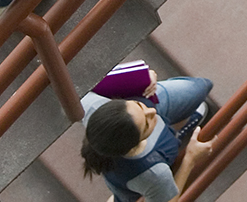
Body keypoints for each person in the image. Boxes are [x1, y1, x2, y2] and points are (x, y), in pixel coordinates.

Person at [80, 74, 217, 202]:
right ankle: (175, 133)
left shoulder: (91, 107)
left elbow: (81, 83)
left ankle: (167, 127)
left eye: (137, 104)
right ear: (133, 144)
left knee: (199, 87)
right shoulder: (152, 173)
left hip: (150, 104)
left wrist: (139, 78)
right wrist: (190, 159)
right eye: (146, 124)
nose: (152, 112)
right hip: (155, 155)